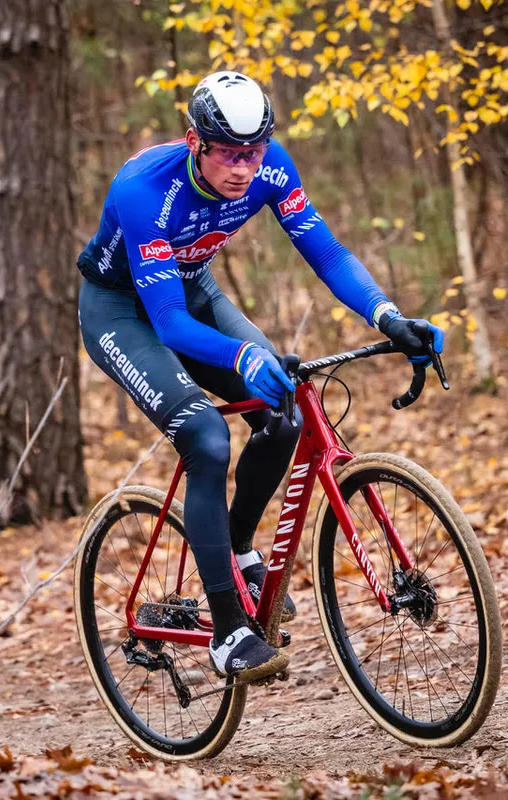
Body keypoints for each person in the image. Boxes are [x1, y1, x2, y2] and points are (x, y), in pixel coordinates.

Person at [76, 70, 444, 683]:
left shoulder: (271, 168)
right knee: (206, 437)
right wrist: (244, 358)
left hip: (190, 292)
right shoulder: (144, 190)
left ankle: (241, 548)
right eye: (229, 154)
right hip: (123, 312)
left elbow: (326, 253)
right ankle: (227, 633)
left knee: (285, 414)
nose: (244, 168)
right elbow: (166, 324)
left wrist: (387, 314)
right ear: (195, 141)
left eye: (254, 152)